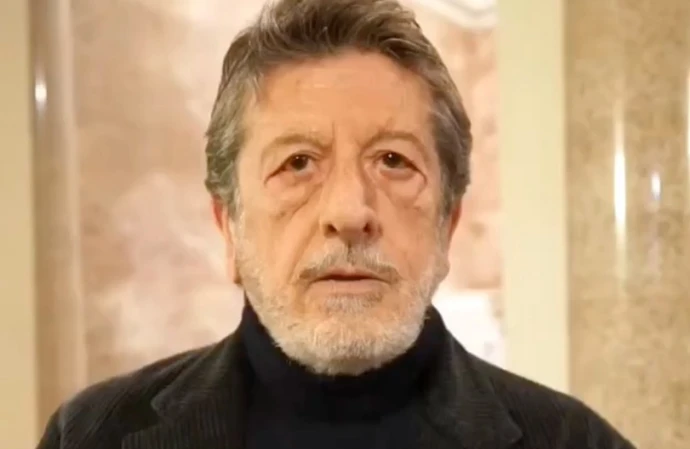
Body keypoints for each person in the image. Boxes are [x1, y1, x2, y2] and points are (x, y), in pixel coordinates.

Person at [37, 0, 636, 448]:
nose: (350, 213)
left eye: (394, 161)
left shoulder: (575, 442)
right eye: (298, 163)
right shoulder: (92, 436)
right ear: (229, 229)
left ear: (448, 226)